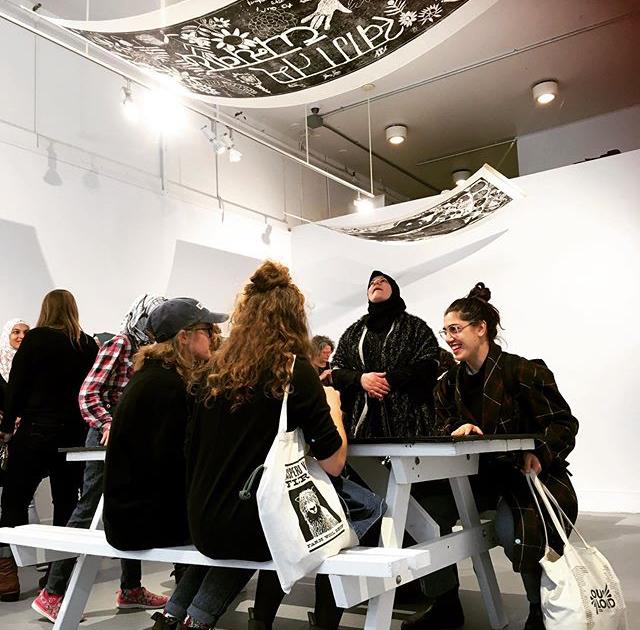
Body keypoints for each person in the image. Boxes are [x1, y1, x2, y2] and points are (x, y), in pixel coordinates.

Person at [152, 261, 348, 630]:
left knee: (233, 528)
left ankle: (172, 617)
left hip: (199, 518)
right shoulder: (293, 370)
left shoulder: (212, 371)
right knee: (347, 514)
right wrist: (333, 406)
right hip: (246, 526)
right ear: (294, 318)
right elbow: (334, 462)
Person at [406, 283, 579, 630]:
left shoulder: (523, 372)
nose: (449, 338)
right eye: (446, 331)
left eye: (455, 329)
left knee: (515, 528)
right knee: (422, 510)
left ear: (480, 328)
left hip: (528, 476)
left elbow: (563, 423)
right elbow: (445, 426)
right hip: (476, 477)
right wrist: (460, 430)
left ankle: (538, 609)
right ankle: (445, 604)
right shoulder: (447, 383)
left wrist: (539, 453)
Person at [31, 295, 168, 622]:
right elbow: (89, 393)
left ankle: (131, 589)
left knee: (128, 510)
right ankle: (52, 593)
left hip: (127, 440)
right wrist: (109, 423)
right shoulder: (120, 344)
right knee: (87, 509)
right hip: (105, 439)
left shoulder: (146, 351)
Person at [102, 297, 227, 552]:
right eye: (207, 330)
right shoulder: (167, 386)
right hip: (143, 524)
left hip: (131, 518)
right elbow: (175, 461)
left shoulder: (153, 376)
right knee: (237, 532)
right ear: (184, 337)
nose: (214, 336)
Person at [0, 290, 98, 601]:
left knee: (14, 500)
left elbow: (16, 387)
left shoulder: (36, 339)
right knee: (66, 504)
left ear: (46, 309)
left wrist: (5, 428)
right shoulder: (86, 343)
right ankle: (57, 579)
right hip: (73, 435)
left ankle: (7, 575)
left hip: (36, 430)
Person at [332, 271, 440, 438]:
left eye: (383, 281)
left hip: (410, 422)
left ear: (394, 290)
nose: (376, 283)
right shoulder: (354, 332)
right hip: (362, 424)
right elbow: (337, 370)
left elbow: (430, 363)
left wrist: (390, 380)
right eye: (372, 283)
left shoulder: (415, 327)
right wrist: (361, 379)